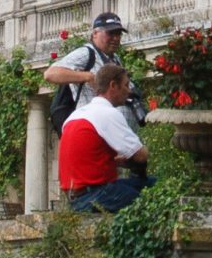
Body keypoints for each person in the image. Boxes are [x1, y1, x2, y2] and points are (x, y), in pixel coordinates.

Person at [57, 63, 152, 215]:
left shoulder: (74, 116)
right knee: (156, 201)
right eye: (126, 85)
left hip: (77, 196)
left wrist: (117, 161)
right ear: (113, 85)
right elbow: (141, 155)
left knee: (150, 184)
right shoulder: (107, 113)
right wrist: (132, 159)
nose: (129, 90)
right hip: (95, 195)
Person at [42, 12, 131, 119]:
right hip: (92, 125)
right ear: (95, 34)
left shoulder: (115, 58)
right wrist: (89, 77)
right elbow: (50, 74)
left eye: (118, 34)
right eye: (111, 33)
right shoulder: (87, 53)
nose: (116, 38)